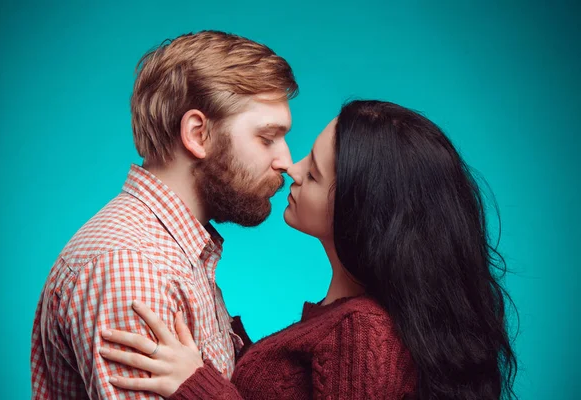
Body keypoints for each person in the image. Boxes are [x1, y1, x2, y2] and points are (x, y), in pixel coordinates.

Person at [99, 100, 518, 399]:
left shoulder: (362, 331)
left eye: (314, 173)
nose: (291, 168)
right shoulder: (347, 317)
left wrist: (197, 386)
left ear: (359, 211)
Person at [31, 30, 298, 399]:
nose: (285, 161)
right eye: (267, 137)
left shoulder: (177, 253)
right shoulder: (133, 267)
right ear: (197, 134)